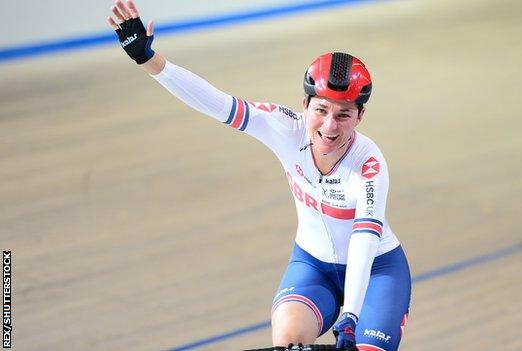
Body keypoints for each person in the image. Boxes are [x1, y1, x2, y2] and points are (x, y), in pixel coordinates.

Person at [107, 1, 411, 350]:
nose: (329, 126)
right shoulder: (285, 128)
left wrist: (351, 317)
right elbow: (217, 104)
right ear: (304, 104)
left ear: (361, 117)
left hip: (377, 271)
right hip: (314, 266)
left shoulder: (369, 163)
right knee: (288, 341)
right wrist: (151, 61)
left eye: (343, 115)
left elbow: (364, 241)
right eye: (322, 110)